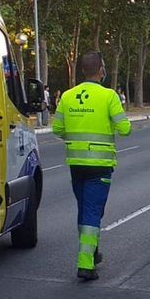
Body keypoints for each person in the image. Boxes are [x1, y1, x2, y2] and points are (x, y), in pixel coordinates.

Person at [52, 51, 132, 281]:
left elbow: (57, 129)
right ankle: (85, 263)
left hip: (76, 164)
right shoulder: (109, 96)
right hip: (100, 165)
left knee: (85, 208)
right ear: (101, 70)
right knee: (92, 211)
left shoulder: (67, 96)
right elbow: (125, 129)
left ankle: (93, 251)